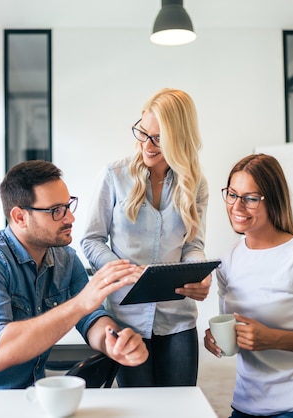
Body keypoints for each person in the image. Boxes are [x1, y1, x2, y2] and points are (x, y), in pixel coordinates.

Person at [0, 160, 148, 390]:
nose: (70, 218)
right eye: (55, 211)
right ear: (20, 217)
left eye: (68, 205)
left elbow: (91, 319)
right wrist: (81, 303)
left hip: (25, 399)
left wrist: (114, 341)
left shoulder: (66, 259)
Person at [204, 153, 293, 418]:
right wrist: (217, 339)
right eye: (232, 194)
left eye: (250, 198)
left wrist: (272, 338)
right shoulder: (227, 261)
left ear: (272, 200)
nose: (237, 206)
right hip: (245, 406)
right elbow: (236, 331)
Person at [81, 88, 210, 387]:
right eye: (142, 133)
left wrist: (198, 272)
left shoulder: (195, 183)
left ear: (180, 139)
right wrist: (124, 272)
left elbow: (193, 244)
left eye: (159, 138)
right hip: (126, 317)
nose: (147, 145)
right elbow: (91, 239)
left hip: (178, 318)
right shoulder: (114, 175)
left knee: (179, 408)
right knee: (138, 407)